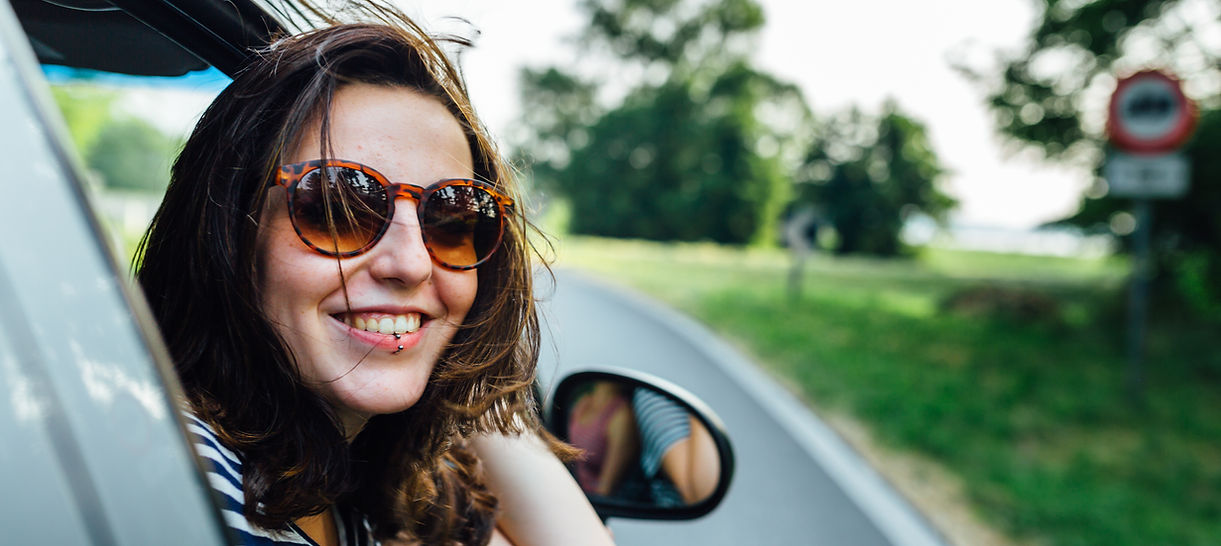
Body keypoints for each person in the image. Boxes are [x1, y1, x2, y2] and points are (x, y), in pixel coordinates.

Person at [136, 12, 609, 546]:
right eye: (337, 208)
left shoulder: (358, 488)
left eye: (453, 219)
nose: (411, 264)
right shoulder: (173, 478)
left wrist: (462, 375)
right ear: (225, 232)